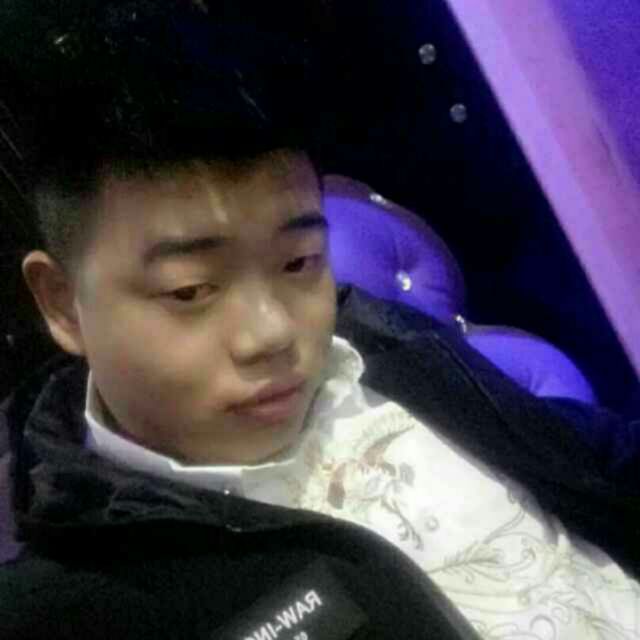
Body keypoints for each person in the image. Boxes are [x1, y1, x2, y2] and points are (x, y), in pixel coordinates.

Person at [1, 2, 640, 639]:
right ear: (61, 303)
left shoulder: (379, 342)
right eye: (190, 290)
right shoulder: (73, 608)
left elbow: (587, 453)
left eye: (299, 261)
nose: (273, 333)